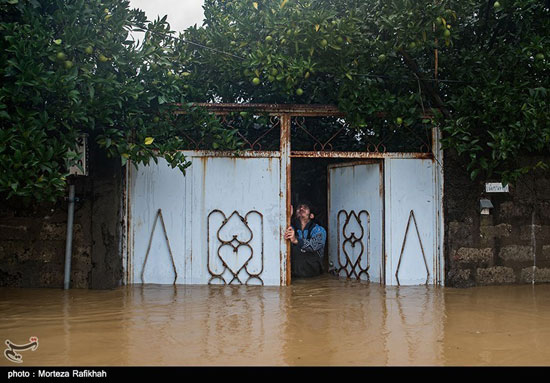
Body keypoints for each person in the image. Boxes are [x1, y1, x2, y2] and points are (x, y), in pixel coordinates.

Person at [284, 201, 326, 278]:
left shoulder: (319, 230)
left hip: (314, 278)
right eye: (299, 207)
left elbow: (315, 245)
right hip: (294, 277)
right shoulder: (291, 228)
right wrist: (287, 217)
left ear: (311, 215)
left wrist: (296, 240)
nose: (301, 208)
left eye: (305, 208)